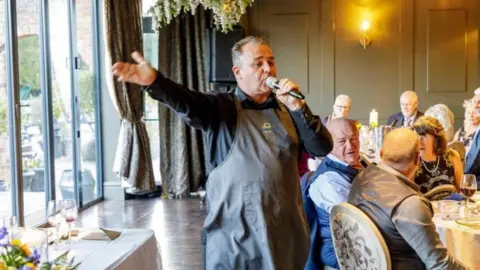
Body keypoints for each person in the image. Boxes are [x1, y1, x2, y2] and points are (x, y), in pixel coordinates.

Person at [111, 36, 333, 269]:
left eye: (271, 62)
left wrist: (299, 108)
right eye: (258, 63)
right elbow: (188, 102)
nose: (268, 69)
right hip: (234, 239)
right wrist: (155, 82)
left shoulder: (289, 111)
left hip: (284, 236)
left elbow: (322, 147)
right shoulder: (222, 109)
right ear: (238, 72)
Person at [349, 128, 468, 269]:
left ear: (381, 154)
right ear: (418, 158)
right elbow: (440, 265)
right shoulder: (410, 203)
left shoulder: (361, 178)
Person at [302, 118, 363, 269]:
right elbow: (358, 222)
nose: (350, 146)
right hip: (341, 250)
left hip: (356, 241)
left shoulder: (355, 164)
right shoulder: (329, 182)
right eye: (342, 141)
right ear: (329, 144)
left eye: (353, 139)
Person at [412, 116, 463, 194]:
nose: (419, 142)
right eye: (416, 137)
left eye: (424, 136)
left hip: (450, 205)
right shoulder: (411, 160)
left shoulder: (451, 156)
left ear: (436, 139)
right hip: (425, 206)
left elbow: (461, 190)